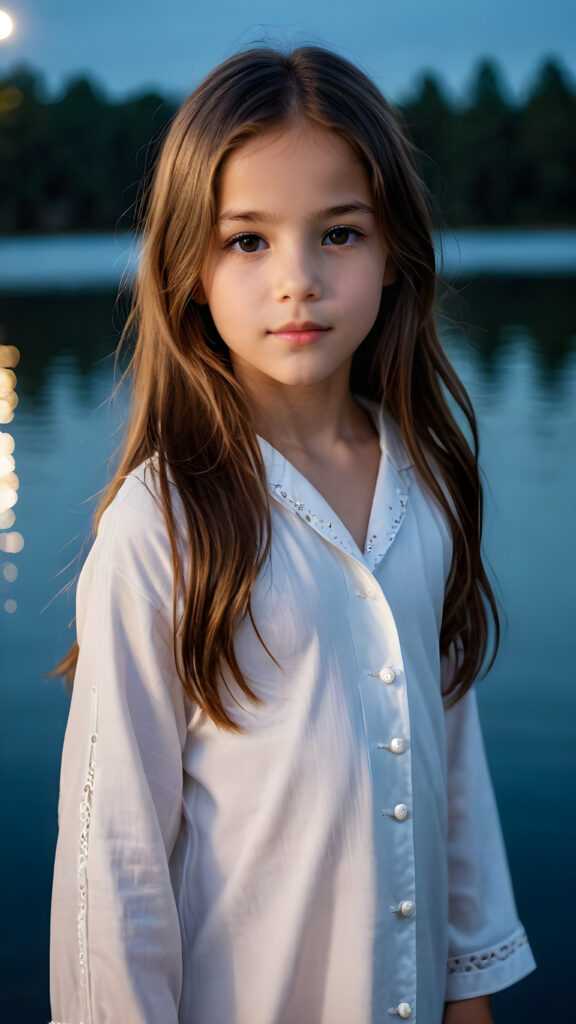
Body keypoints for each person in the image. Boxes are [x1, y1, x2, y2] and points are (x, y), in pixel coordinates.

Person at [49, 46, 536, 1024]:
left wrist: (472, 986)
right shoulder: (164, 526)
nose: (299, 280)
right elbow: (116, 863)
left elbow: (451, 762)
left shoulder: (428, 483)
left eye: (339, 234)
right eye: (248, 241)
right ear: (188, 267)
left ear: (394, 247)